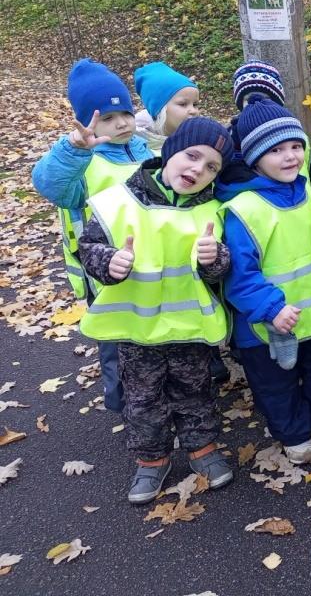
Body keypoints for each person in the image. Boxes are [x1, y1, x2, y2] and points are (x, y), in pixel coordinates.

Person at [77, 117, 235, 503]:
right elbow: (89, 247)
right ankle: (152, 460)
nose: (198, 169)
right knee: (143, 399)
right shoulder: (119, 201)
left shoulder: (212, 210)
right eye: (192, 156)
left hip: (188, 329)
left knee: (195, 392)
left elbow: (219, 269)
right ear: (171, 150)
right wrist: (109, 262)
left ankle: (202, 449)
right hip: (138, 330)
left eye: (211, 167)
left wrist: (214, 259)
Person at [219, 95, 311, 465]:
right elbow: (240, 275)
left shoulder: (303, 189)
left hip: (310, 316)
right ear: (254, 158)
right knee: (276, 382)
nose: (290, 157)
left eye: (295, 146)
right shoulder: (245, 210)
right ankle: (294, 433)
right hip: (268, 323)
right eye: (276, 150)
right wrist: (271, 308)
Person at [31, 59, 153, 412]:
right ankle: (123, 401)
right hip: (104, 271)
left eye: (125, 113)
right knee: (116, 338)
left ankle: (157, 397)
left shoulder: (146, 150)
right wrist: (74, 148)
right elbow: (50, 185)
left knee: (151, 334)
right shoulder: (83, 164)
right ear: (88, 123)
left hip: (149, 263)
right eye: (108, 118)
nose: (122, 123)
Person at [133, 62, 201, 153]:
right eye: (183, 104)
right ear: (159, 109)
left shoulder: (200, 136)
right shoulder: (134, 144)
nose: (193, 111)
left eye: (195, 104)